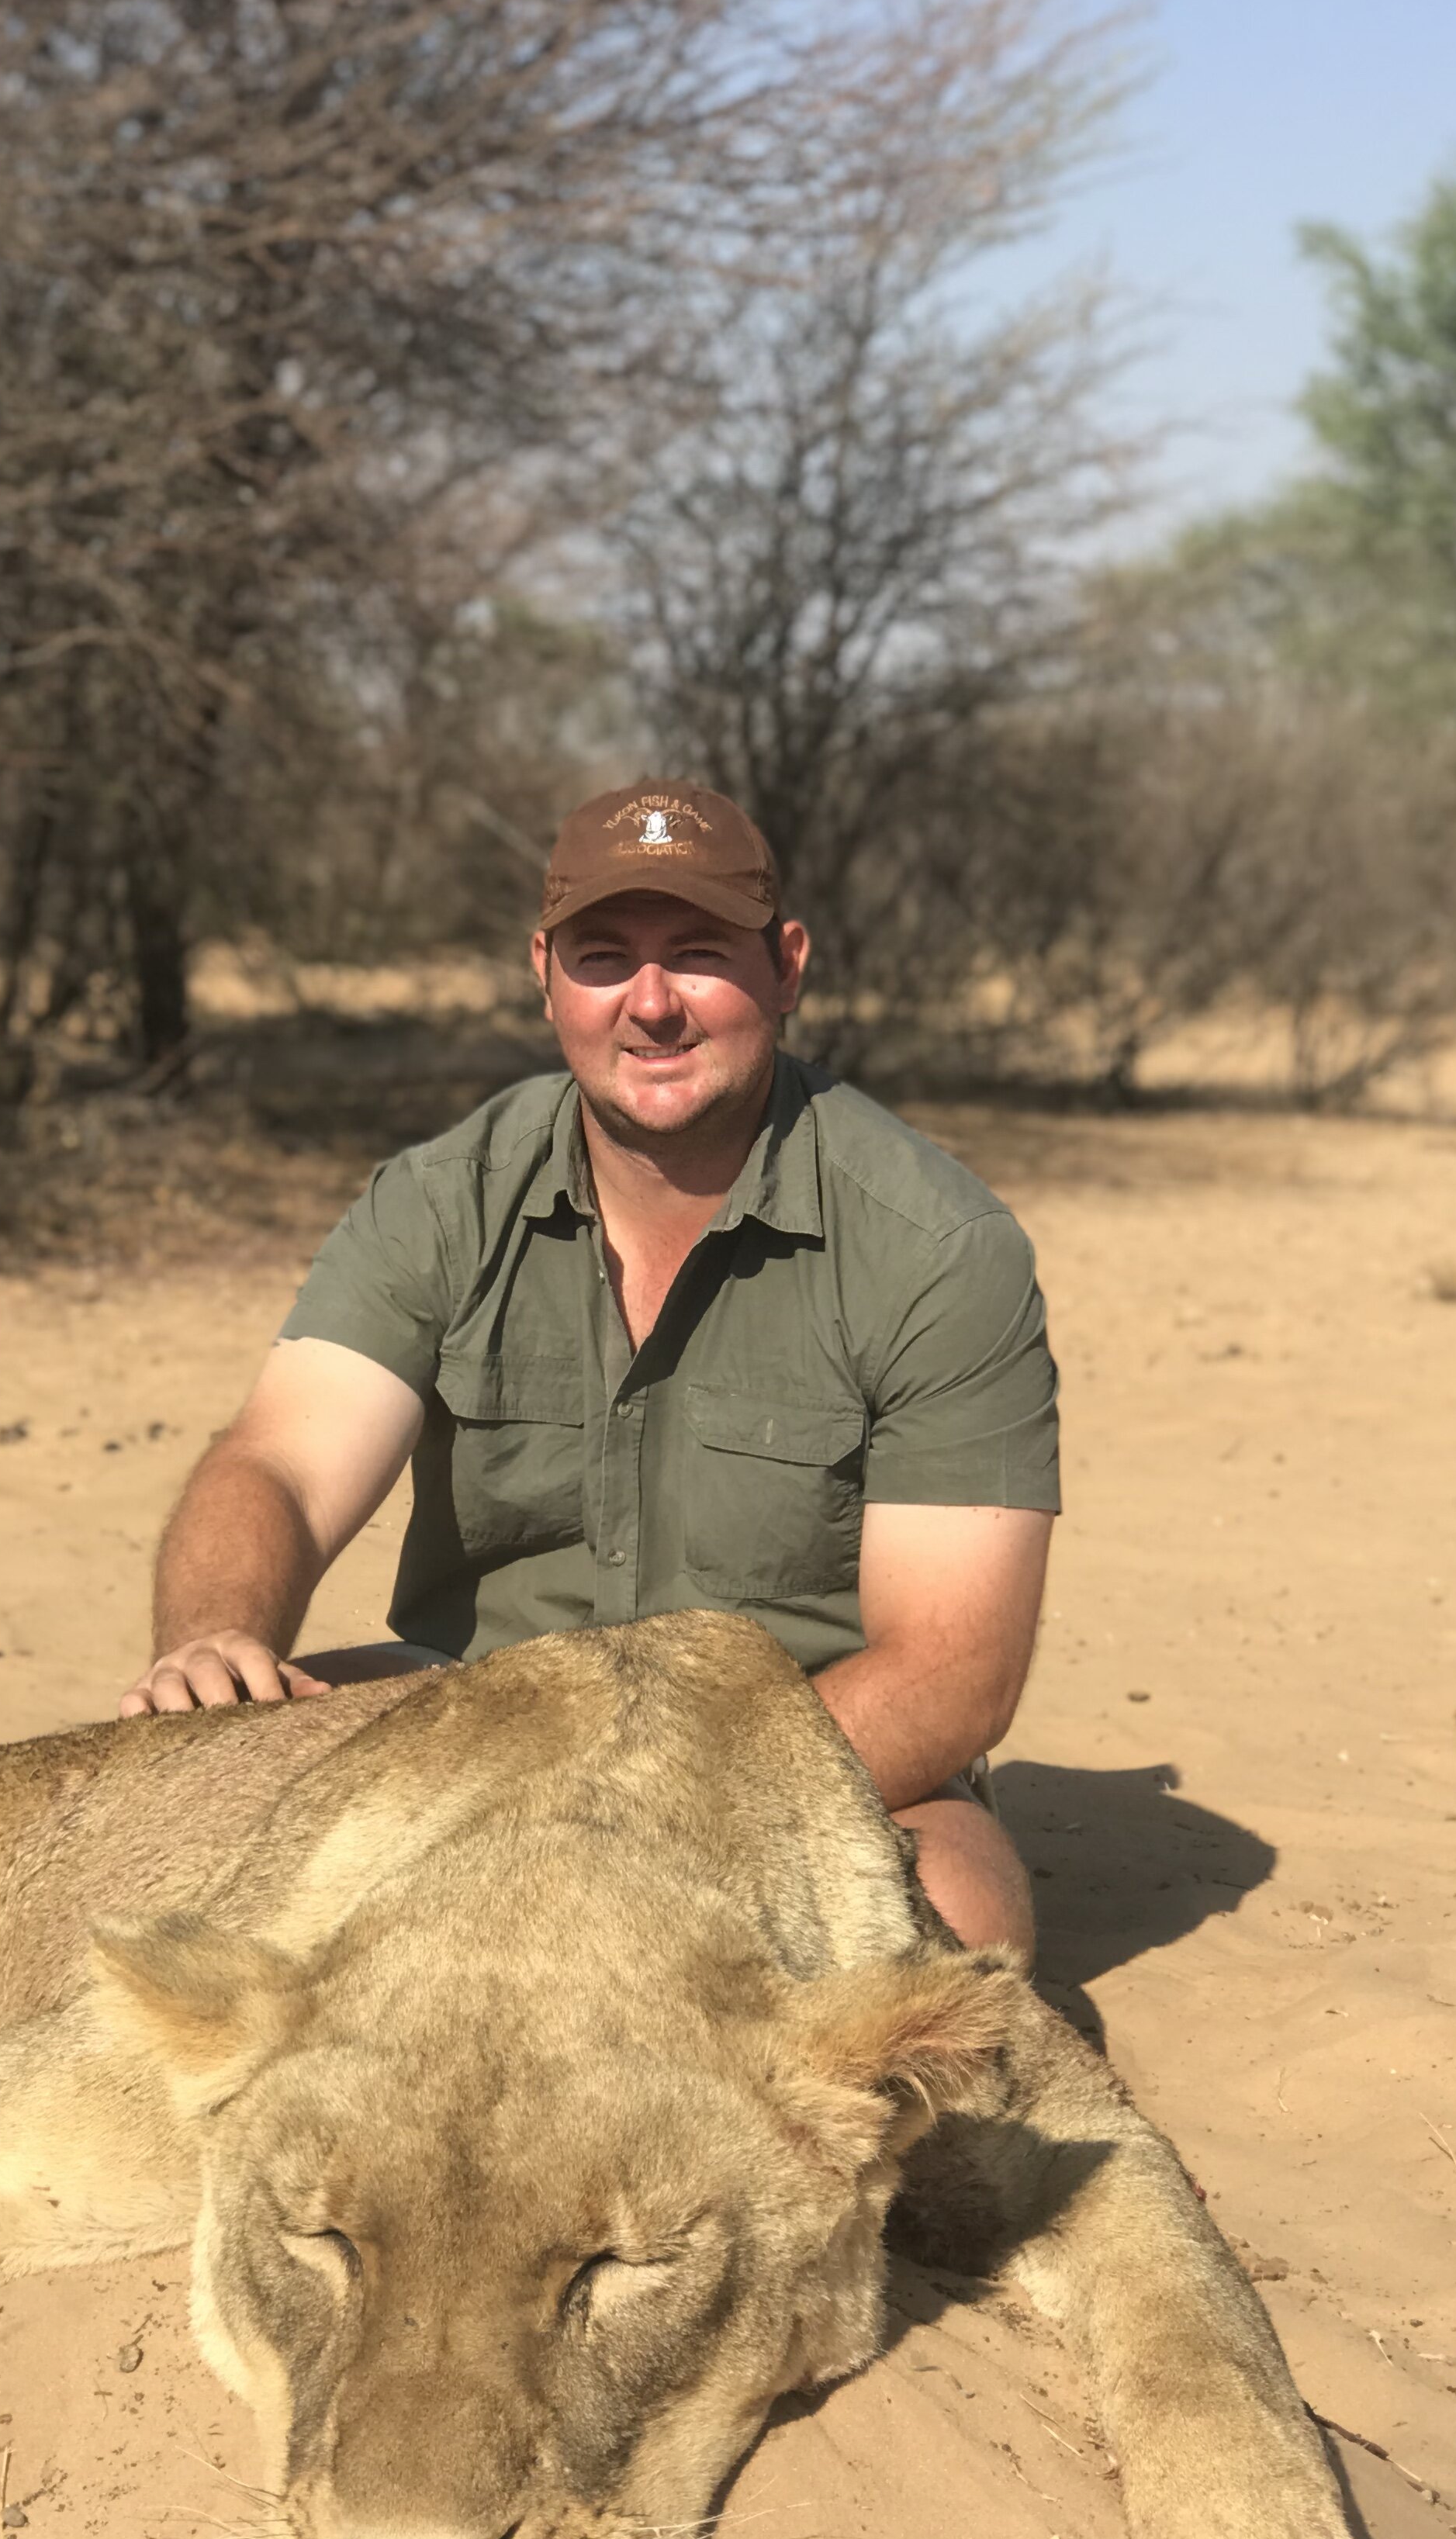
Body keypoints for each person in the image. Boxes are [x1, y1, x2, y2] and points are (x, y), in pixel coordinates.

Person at [117, 780, 1059, 1956]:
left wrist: (629, 1812)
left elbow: (949, 1669)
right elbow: (281, 1466)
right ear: (546, 973)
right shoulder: (439, 1198)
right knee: (151, 1830)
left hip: (792, 1749)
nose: (651, 1005)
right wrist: (212, 1639)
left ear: (787, 967)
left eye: (700, 954)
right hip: (469, 1713)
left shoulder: (939, 1246)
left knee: (958, 1926)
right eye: (605, 957)